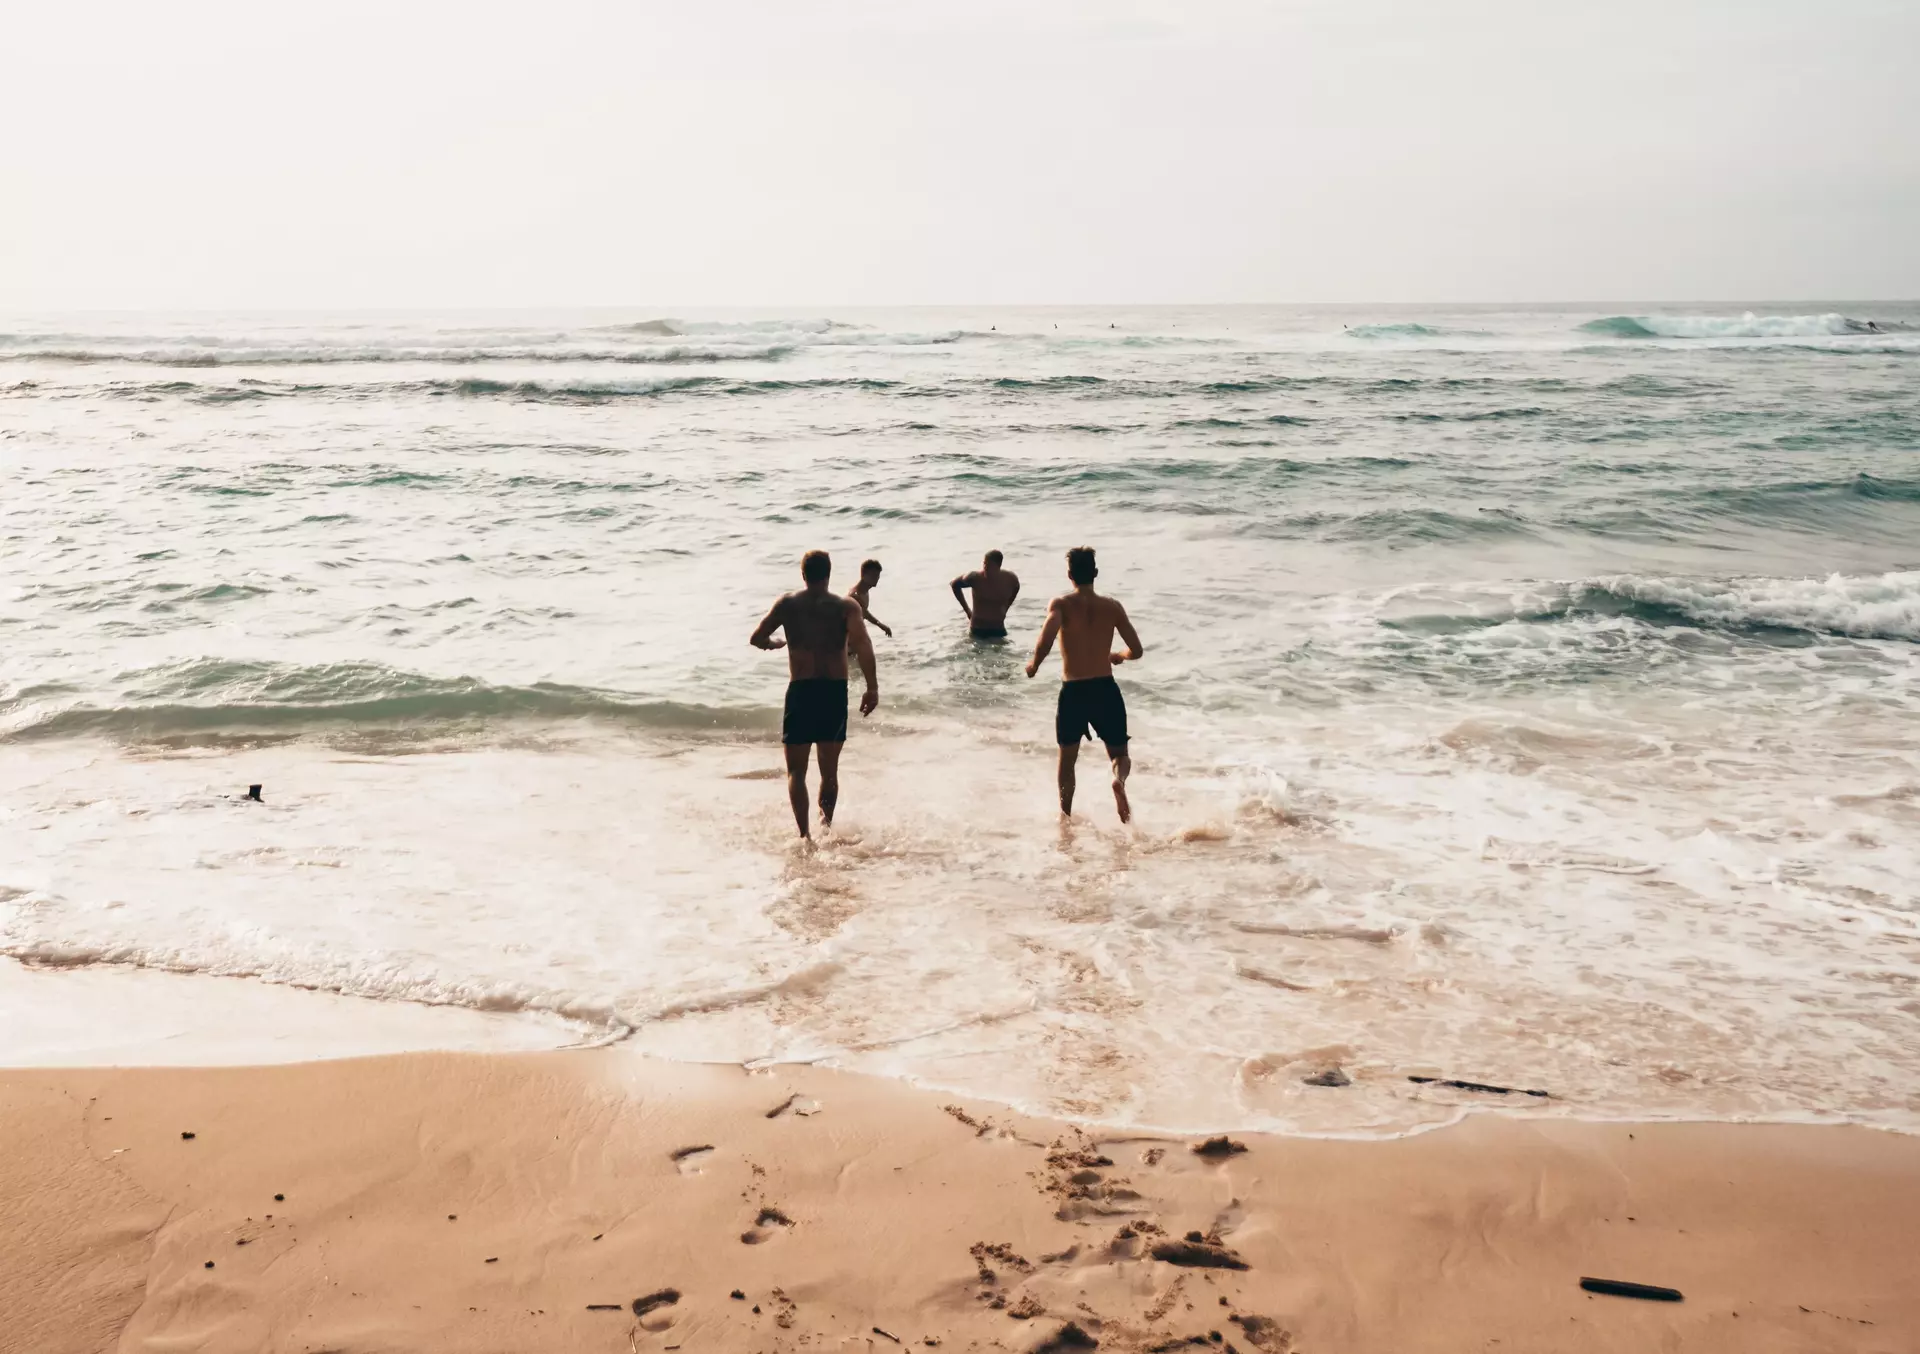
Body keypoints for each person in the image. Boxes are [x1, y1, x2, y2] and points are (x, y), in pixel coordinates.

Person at [750, 550, 879, 839]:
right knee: (829, 772)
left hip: (801, 691)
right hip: (833, 692)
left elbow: (756, 637)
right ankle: (826, 828)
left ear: (803, 574)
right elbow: (864, 646)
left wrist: (774, 644)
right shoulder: (847, 607)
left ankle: (804, 836)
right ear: (829, 574)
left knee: (796, 771)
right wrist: (872, 688)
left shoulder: (787, 604)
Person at [1025, 546, 1144, 823]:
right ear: (1096, 573)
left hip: (1074, 691)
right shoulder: (1112, 607)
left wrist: (1034, 665)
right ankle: (1118, 781)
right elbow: (1136, 650)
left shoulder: (1061, 605)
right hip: (1105, 688)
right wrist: (1119, 656)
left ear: (1070, 575)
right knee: (1119, 754)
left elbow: (1047, 637)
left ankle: (1065, 817)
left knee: (1067, 760)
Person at [951, 550, 1021, 639]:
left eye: (989, 565)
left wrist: (1006, 607)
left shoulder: (1009, 579)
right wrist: (967, 611)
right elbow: (954, 585)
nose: (985, 567)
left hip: (998, 629)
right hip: (977, 629)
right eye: (984, 564)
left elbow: (1016, 587)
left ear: (998, 566)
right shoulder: (975, 578)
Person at [847, 558, 892, 638]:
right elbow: (865, 613)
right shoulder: (855, 595)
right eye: (873, 575)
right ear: (863, 575)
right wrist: (881, 625)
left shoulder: (865, 591)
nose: (877, 578)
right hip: (847, 636)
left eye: (878, 575)